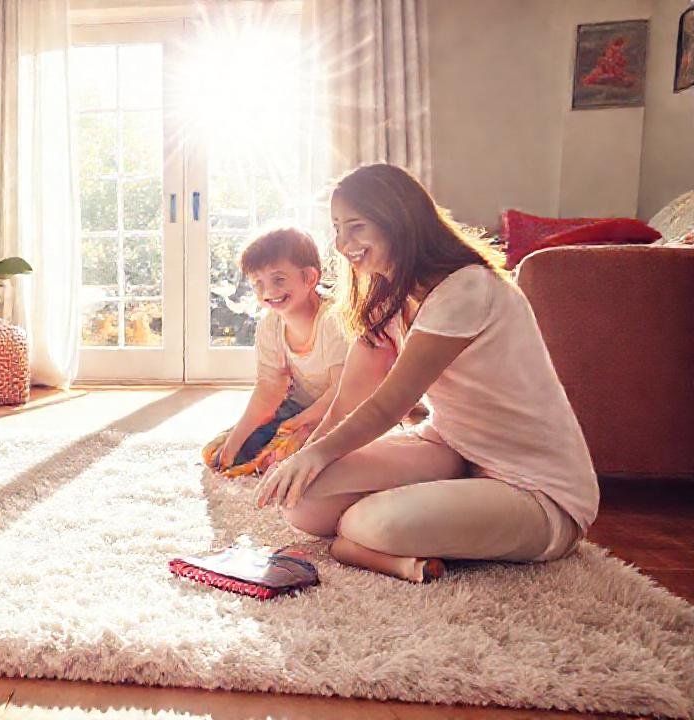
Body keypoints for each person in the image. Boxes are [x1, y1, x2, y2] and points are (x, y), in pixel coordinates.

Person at [256, 164, 598, 583]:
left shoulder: (467, 289)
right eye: (338, 228)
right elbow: (351, 398)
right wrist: (307, 455)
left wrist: (317, 454)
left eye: (357, 226)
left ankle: (363, 547)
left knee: (363, 523)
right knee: (302, 501)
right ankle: (403, 535)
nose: (344, 244)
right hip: (453, 448)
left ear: (398, 220)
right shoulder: (385, 293)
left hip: (537, 489)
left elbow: (390, 404)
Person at [203, 228, 349, 477]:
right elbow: (268, 390)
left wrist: (301, 423)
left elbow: (343, 390)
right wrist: (237, 437)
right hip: (295, 410)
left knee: (284, 454)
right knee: (216, 451)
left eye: (278, 280)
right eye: (258, 283)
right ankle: (275, 453)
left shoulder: (332, 320)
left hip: (340, 412)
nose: (268, 291)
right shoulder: (270, 325)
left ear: (309, 278)